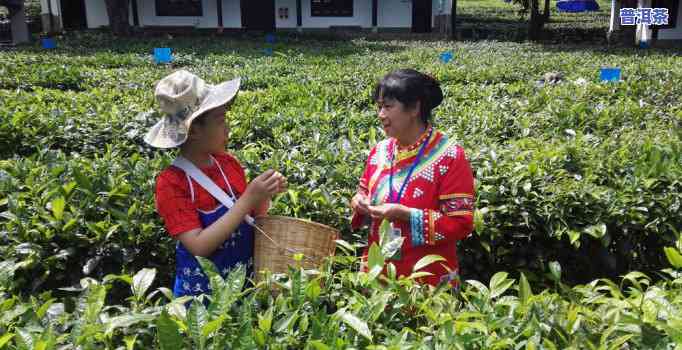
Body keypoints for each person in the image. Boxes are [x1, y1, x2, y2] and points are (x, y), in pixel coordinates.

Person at [145, 70, 287, 297]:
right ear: (194, 131)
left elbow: (254, 219)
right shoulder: (171, 183)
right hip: (203, 299)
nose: (228, 128)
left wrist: (263, 195)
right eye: (220, 121)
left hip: (244, 285)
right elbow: (199, 246)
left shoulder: (228, 164)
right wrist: (249, 197)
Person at [350, 69, 475, 289]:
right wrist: (359, 202)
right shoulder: (379, 151)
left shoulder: (450, 156)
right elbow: (363, 191)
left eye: (388, 107)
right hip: (377, 272)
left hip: (426, 282)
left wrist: (405, 214)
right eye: (379, 107)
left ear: (415, 108)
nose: (381, 115)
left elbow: (460, 223)